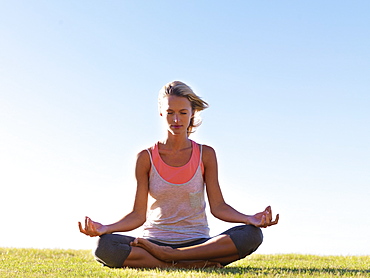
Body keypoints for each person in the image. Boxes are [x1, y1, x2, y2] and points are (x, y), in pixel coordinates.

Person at [78, 81, 279, 269]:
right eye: (170, 112)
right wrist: (106, 228)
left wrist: (249, 218)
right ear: (160, 112)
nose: (176, 119)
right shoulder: (145, 158)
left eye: (183, 112)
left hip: (198, 242)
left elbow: (218, 207)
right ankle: (189, 263)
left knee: (251, 235)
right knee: (105, 246)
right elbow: (138, 215)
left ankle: (171, 258)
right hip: (154, 241)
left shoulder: (205, 154)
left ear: (192, 113)